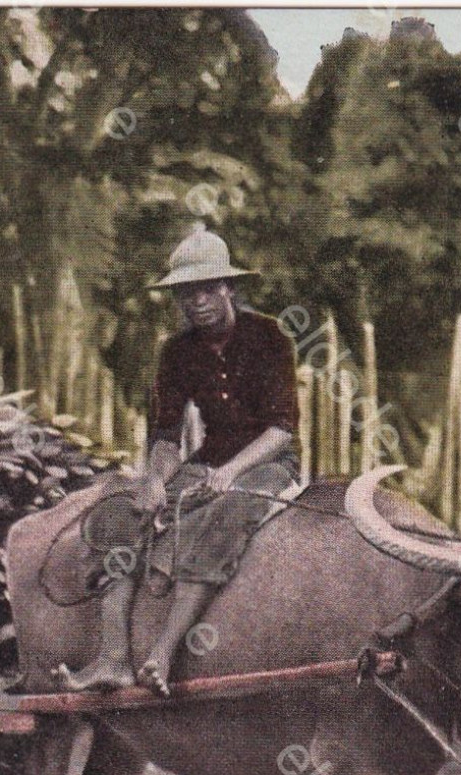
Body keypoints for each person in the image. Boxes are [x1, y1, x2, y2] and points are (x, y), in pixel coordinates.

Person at [56, 223, 300, 696]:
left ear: (229, 287)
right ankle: (113, 658)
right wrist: (153, 481)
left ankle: (162, 653)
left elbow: (282, 428)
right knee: (122, 512)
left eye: (207, 289)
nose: (197, 302)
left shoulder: (269, 337)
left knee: (229, 514)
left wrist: (231, 473)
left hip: (268, 462)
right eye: (186, 293)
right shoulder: (177, 352)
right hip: (207, 460)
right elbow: (167, 433)